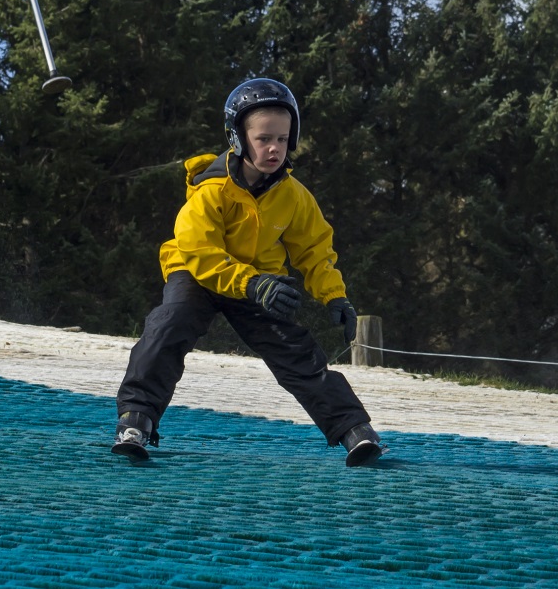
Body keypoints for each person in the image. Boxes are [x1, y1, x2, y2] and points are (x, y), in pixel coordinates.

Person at [113, 78, 384, 467]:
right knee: (169, 324)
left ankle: (354, 432)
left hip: (260, 283)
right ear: (238, 138)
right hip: (199, 275)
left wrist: (334, 295)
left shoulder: (293, 196)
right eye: (263, 139)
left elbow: (315, 251)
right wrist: (251, 283)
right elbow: (197, 250)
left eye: (284, 138)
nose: (274, 148)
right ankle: (136, 419)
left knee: (295, 349)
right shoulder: (213, 189)